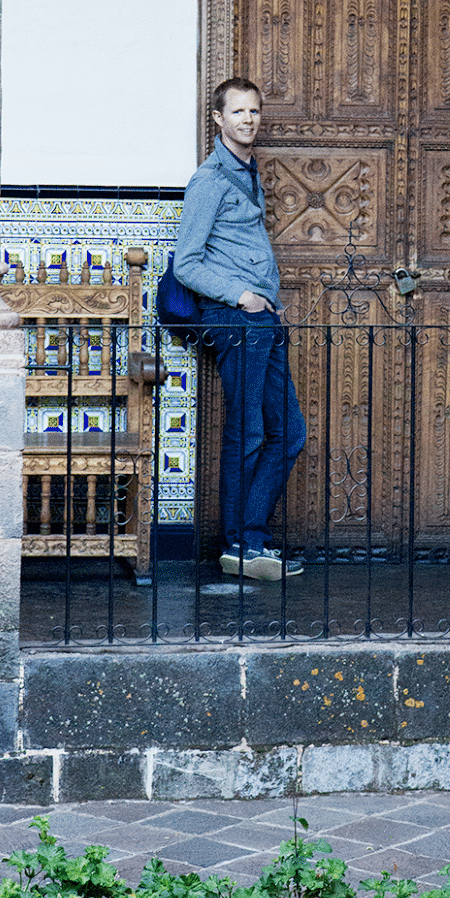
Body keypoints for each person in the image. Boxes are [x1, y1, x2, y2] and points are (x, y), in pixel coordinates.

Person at [174, 78, 307, 580]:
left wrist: (264, 303)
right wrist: (242, 296)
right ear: (218, 119)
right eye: (238, 111)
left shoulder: (247, 174)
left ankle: (247, 541)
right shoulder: (209, 181)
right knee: (247, 431)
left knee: (288, 432)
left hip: (261, 322)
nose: (248, 119)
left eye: (254, 110)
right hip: (237, 320)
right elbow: (186, 264)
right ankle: (241, 544)